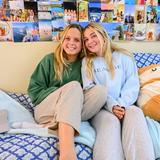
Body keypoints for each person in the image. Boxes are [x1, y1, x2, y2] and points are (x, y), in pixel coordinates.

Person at [27, 23, 106, 160]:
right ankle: (67, 154)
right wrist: (62, 93)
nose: (71, 43)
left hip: (71, 110)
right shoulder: (49, 60)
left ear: (82, 44)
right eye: (67, 38)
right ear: (62, 40)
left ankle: (62, 124)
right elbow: (34, 92)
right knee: (74, 86)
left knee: (101, 91)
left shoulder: (85, 63)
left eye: (76, 40)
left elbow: (89, 91)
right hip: (46, 111)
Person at [81, 22, 155, 160]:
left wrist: (120, 105)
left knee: (135, 112)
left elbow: (132, 85)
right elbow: (90, 90)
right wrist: (112, 106)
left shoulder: (124, 56)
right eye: (85, 39)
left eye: (93, 36)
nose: (90, 41)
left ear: (103, 35)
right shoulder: (87, 62)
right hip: (102, 109)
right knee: (110, 121)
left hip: (126, 105)